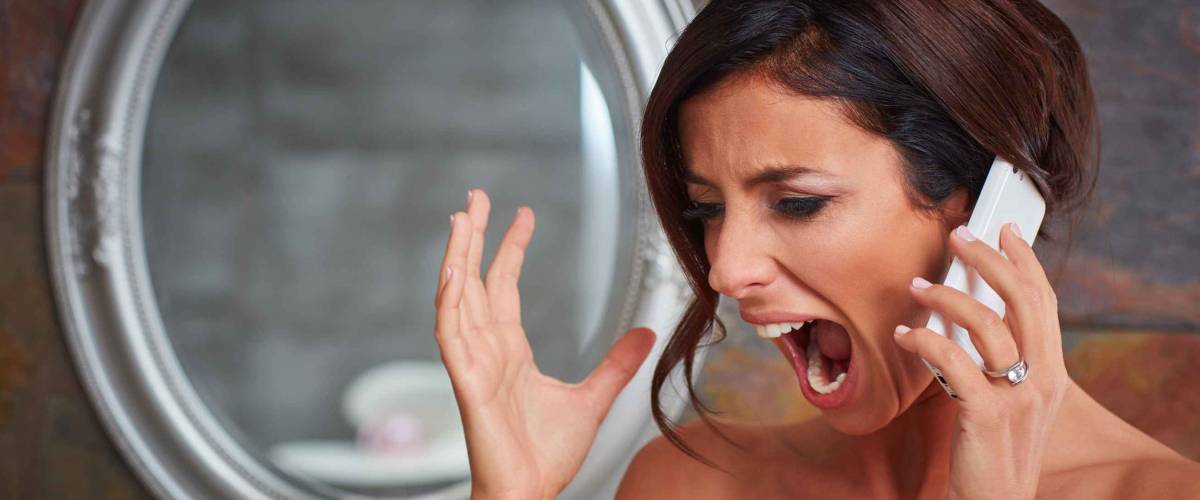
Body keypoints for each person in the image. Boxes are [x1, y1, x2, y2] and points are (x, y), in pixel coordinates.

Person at [431, 1, 1200, 498]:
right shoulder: (691, 485)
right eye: (705, 208)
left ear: (988, 203)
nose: (728, 270)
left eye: (798, 202)